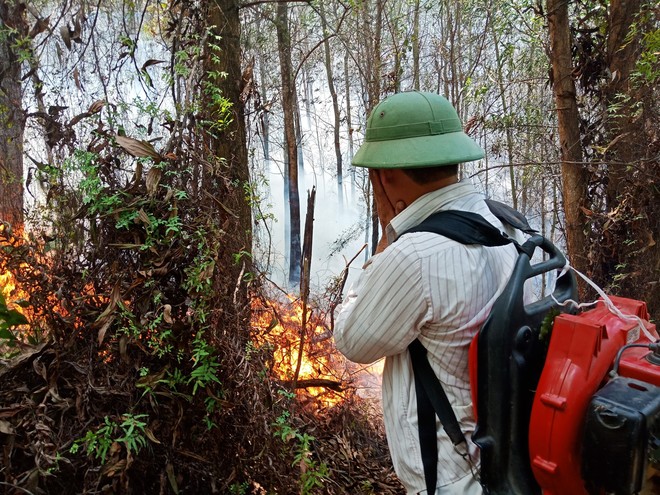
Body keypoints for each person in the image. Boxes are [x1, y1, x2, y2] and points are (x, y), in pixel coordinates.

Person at [333, 91, 521, 494]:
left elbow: (351, 340)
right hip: (505, 462)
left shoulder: (414, 256)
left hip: (451, 478)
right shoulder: (501, 222)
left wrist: (384, 247)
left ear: (385, 175)